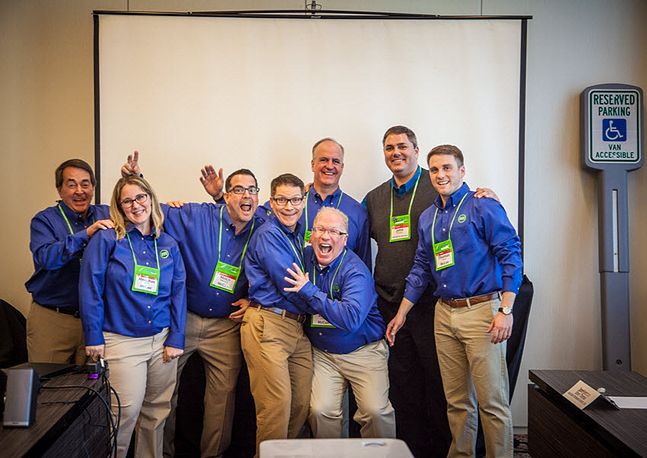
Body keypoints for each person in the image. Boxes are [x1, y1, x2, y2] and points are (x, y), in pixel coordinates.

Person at [121, 152, 266, 457]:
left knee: (221, 398)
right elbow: (147, 211)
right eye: (238, 189)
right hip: (183, 320)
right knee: (164, 394)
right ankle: (164, 452)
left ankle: (212, 454)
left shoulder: (263, 226)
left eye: (252, 190)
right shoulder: (195, 215)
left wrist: (253, 299)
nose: (247, 196)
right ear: (225, 195)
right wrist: (136, 180)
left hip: (227, 326)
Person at [386, 144, 522, 458]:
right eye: (434, 169)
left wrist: (506, 309)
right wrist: (402, 313)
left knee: (492, 403)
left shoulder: (483, 206)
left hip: (482, 312)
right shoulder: (428, 217)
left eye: (447, 168)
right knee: (457, 402)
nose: (441, 175)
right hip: (444, 314)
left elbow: (511, 254)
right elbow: (421, 268)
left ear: (462, 171)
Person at [80, 175, 187, 458]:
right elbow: (90, 289)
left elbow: (178, 293)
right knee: (122, 417)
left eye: (140, 197)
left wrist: (176, 337)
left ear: (151, 198)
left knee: (156, 414)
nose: (136, 205)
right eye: (127, 200)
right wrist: (93, 336)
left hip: (162, 342)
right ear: (119, 207)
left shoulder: (169, 244)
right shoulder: (107, 240)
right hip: (121, 342)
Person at [284, 207, 395, 439]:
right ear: (311, 234)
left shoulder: (355, 271)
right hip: (323, 353)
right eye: (320, 229)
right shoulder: (303, 258)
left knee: (375, 412)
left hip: (364, 352)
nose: (326, 236)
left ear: (344, 240)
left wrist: (309, 291)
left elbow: (350, 318)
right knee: (320, 411)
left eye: (334, 231)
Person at [241, 173, 313, 456]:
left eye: (295, 200)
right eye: (281, 200)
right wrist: (330, 306)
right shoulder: (269, 234)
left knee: (300, 405)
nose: (289, 206)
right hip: (268, 324)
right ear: (271, 202)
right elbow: (291, 284)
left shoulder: (296, 234)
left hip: (296, 328)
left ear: (303, 201)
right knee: (275, 409)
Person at [25, 159, 114, 364]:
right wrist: (86, 235)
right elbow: (46, 258)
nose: (79, 191)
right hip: (53, 318)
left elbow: (139, 211)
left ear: (93, 187)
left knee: (91, 388)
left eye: (85, 184)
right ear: (59, 189)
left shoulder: (106, 213)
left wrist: (135, 178)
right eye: (71, 184)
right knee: (49, 388)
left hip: (94, 321)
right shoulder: (44, 220)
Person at [301, 138, 371, 267]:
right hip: (297, 285)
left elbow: (363, 265)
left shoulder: (358, 212)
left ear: (342, 167)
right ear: (312, 164)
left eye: (336, 161)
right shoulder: (295, 206)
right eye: (323, 160)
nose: (329, 166)